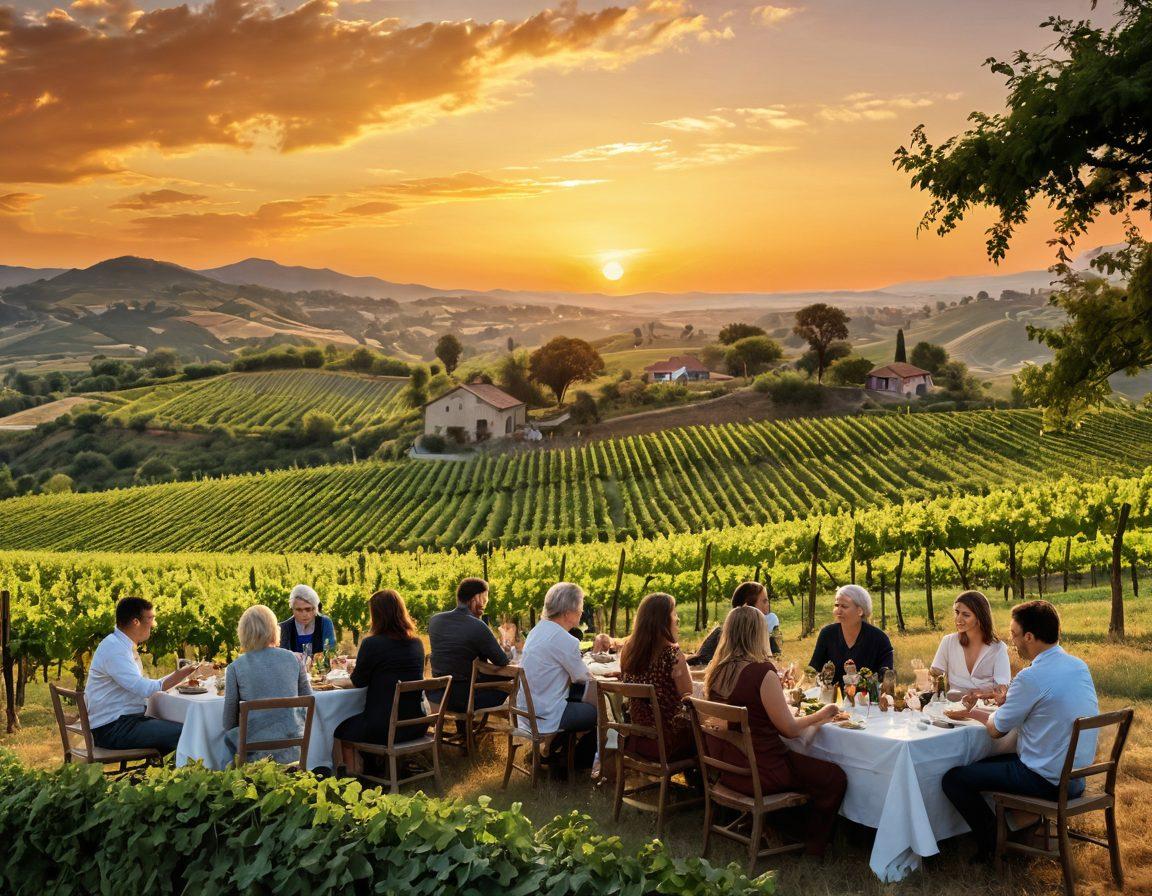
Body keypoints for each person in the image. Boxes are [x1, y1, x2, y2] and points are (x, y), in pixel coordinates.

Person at [941, 600, 1099, 864]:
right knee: (990, 764)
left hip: (1047, 780)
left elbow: (994, 730)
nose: (1012, 641)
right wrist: (1009, 703)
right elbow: (1047, 708)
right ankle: (1016, 829)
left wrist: (969, 713)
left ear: (1029, 636)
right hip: (1075, 777)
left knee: (955, 778)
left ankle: (994, 844)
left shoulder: (1031, 677)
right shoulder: (1077, 666)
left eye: (1014, 634)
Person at [704, 605, 846, 857]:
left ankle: (777, 825)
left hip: (727, 768)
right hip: (761, 772)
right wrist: (823, 715)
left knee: (809, 765)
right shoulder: (761, 671)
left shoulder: (717, 669)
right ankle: (808, 843)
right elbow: (790, 730)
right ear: (757, 633)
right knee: (833, 776)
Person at [86, 596, 207, 755]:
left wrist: (180, 675)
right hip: (114, 729)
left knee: (181, 727)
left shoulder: (118, 644)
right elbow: (143, 689)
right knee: (188, 731)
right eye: (150, 618)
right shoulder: (115, 649)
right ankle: (196, 775)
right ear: (136, 622)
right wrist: (179, 675)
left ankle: (175, 774)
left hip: (123, 723)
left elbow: (140, 685)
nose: (154, 624)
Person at [334, 590, 429, 773]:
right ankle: (374, 767)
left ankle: (352, 780)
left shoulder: (372, 644)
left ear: (377, 615)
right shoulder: (417, 643)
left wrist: (338, 678)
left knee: (342, 729)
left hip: (386, 728)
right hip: (417, 723)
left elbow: (358, 682)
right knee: (368, 720)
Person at [518, 582, 597, 766]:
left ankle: (552, 750)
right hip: (547, 715)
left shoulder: (536, 631)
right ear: (568, 612)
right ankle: (581, 762)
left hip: (527, 711)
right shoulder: (565, 639)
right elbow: (583, 677)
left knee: (581, 700)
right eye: (580, 606)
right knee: (599, 710)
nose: (582, 611)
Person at [223, 605, 312, 764]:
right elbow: (308, 701)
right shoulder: (295, 660)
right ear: (274, 629)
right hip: (292, 750)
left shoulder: (235, 667)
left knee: (224, 743)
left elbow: (228, 722)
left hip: (254, 756)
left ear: (243, 633)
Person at [619, 593, 694, 761]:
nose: (677, 619)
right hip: (666, 743)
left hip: (636, 737)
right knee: (706, 733)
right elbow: (688, 697)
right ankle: (706, 784)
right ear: (663, 620)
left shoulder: (628, 651)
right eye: (674, 613)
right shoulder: (672, 655)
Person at [427, 578, 509, 713]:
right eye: (485, 598)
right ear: (477, 597)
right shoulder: (477, 625)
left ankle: (464, 730)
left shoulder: (435, 620)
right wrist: (505, 642)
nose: (485, 604)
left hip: (439, 696)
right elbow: (502, 661)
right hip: (467, 700)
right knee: (511, 683)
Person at [808, 584, 894, 686]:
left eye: (844, 606)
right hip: (833, 699)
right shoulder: (827, 634)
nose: (838, 610)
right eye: (836, 605)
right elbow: (813, 670)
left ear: (860, 611)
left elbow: (887, 676)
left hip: (868, 699)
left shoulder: (879, 638)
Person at [930, 590, 1011, 695]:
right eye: (957, 612)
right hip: (953, 706)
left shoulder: (998, 648)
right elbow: (935, 674)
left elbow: (1002, 689)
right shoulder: (948, 642)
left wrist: (980, 695)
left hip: (986, 707)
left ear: (980, 617)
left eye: (966, 615)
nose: (958, 619)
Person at [687, 581, 774, 667]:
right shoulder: (723, 635)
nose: (767, 607)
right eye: (764, 601)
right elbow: (699, 667)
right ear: (747, 608)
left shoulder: (765, 636)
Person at [279, 584, 337, 656]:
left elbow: (330, 652)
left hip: (320, 667)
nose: (304, 614)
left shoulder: (325, 623)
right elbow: (282, 656)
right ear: (292, 609)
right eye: (299, 610)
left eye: (308, 609)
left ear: (315, 608)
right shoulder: (284, 628)